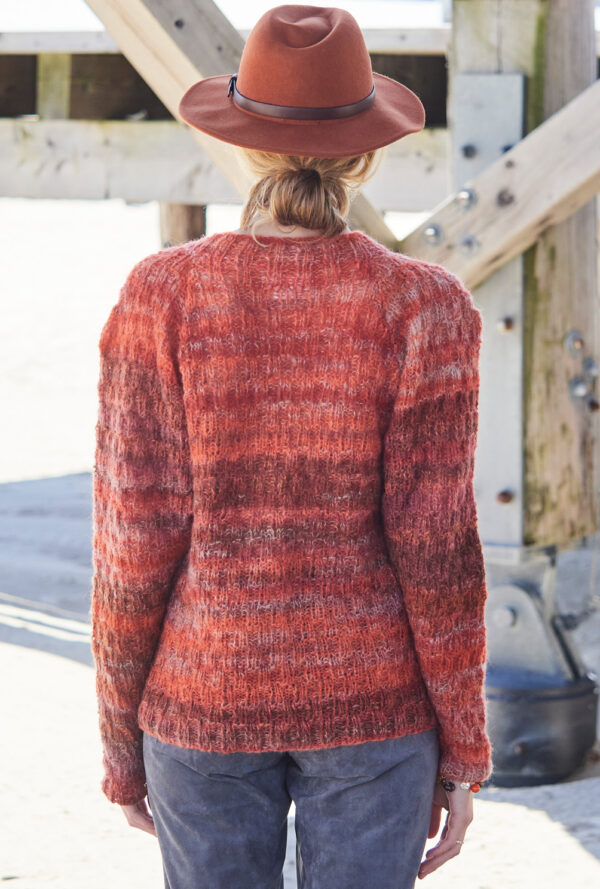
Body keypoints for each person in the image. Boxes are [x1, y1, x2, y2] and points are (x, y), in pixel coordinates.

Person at [90, 5, 493, 888]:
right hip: (377, 711)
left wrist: (121, 738)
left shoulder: (163, 294)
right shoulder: (425, 305)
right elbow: (438, 550)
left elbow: (133, 539)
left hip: (201, 702)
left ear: (242, 146)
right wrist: (464, 749)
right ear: (366, 155)